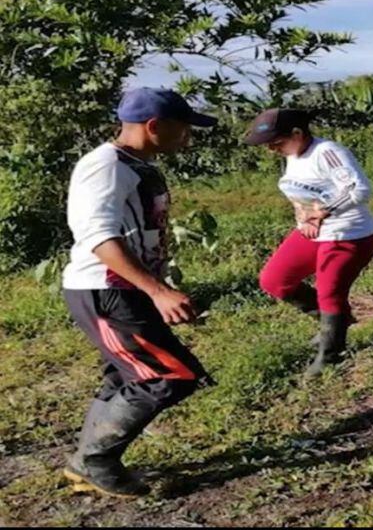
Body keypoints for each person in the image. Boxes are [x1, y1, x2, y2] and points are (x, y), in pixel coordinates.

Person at [61, 88, 217, 498]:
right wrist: (157, 290)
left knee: (126, 375)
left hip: (125, 289)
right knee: (166, 376)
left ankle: (86, 461)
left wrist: (155, 287)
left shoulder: (135, 164)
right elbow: (98, 236)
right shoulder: (105, 166)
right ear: (154, 126)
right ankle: (95, 461)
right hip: (106, 290)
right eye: (183, 129)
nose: (187, 137)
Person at [244, 108, 373, 378]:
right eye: (268, 145)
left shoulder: (327, 152)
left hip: (348, 233)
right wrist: (307, 218)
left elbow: (359, 188)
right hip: (313, 232)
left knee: (329, 292)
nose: (271, 149)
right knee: (274, 280)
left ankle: (331, 355)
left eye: (276, 142)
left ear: (297, 133)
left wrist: (324, 211)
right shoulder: (293, 154)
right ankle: (332, 323)